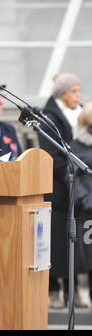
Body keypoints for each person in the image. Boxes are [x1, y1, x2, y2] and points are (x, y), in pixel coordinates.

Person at [38, 72, 88, 308]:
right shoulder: (50, 117)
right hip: (60, 190)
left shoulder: (77, 114)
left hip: (76, 193)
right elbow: (54, 157)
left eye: (78, 91)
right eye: (73, 92)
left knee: (74, 244)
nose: (78, 96)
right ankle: (54, 289)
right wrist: (72, 178)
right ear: (62, 94)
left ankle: (73, 289)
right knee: (55, 243)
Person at [71, 102, 92, 303]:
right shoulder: (77, 145)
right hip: (88, 211)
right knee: (89, 256)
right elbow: (73, 176)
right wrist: (85, 197)